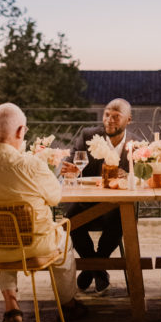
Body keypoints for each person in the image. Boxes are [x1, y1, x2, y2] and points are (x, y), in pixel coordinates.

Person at [0, 102, 85, 322]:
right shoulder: (31, 164)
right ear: (20, 132)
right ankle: (67, 304)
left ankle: (11, 307)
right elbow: (55, 197)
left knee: (0, 231)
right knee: (62, 239)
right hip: (32, 247)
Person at [61, 98, 134, 294]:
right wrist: (70, 170)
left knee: (120, 219)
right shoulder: (88, 135)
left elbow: (143, 176)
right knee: (70, 221)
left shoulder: (135, 145)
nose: (109, 120)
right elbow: (71, 163)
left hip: (118, 205)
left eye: (116, 117)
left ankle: (91, 267)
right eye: (107, 115)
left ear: (129, 120)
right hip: (87, 203)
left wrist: (129, 175)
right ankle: (97, 268)